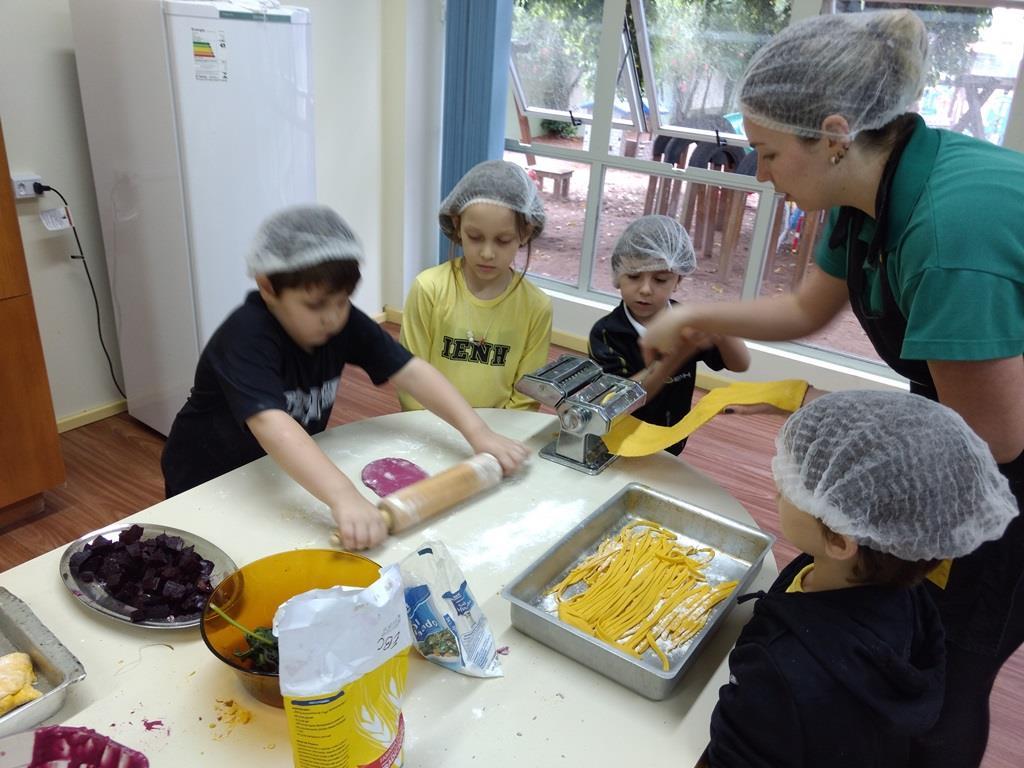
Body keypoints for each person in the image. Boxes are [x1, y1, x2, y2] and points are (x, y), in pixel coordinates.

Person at [643, 11, 1024, 765]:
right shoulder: (867, 188)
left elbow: (994, 439)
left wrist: (858, 473)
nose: (760, 173)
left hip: (1001, 465)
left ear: (834, 133)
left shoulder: (949, 234)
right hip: (961, 428)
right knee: (905, 622)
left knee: (952, 663)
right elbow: (807, 307)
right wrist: (696, 318)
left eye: (768, 152)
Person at [161, 204, 528, 551]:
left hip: (279, 471)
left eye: (342, 301)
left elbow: (412, 371)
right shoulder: (245, 336)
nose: (332, 318)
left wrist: (478, 432)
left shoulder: (340, 320)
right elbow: (271, 423)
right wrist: (344, 495)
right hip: (209, 479)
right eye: (315, 305)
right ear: (268, 287)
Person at [707, 391, 1018, 768]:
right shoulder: (912, 598)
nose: (777, 479)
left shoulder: (777, 673)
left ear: (840, 539)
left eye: (791, 482)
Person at [588, 215, 750, 454]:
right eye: (633, 276)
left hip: (671, 439)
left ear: (678, 281)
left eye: (660, 279)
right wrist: (673, 354)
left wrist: (721, 328)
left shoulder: (686, 320)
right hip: (620, 442)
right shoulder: (606, 333)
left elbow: (739, 364)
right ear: (617, 276)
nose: (645, 289)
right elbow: (620, 401)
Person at [399, 160, 552, 410]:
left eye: (503, 240)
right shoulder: (429, 289)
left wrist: (495, 441)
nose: (487, 253)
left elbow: (526, 396)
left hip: (499, 438)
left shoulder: (536, 307)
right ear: (457, 225)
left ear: (525, 233)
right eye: (475, 237)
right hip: (431, 431)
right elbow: (411, 381)